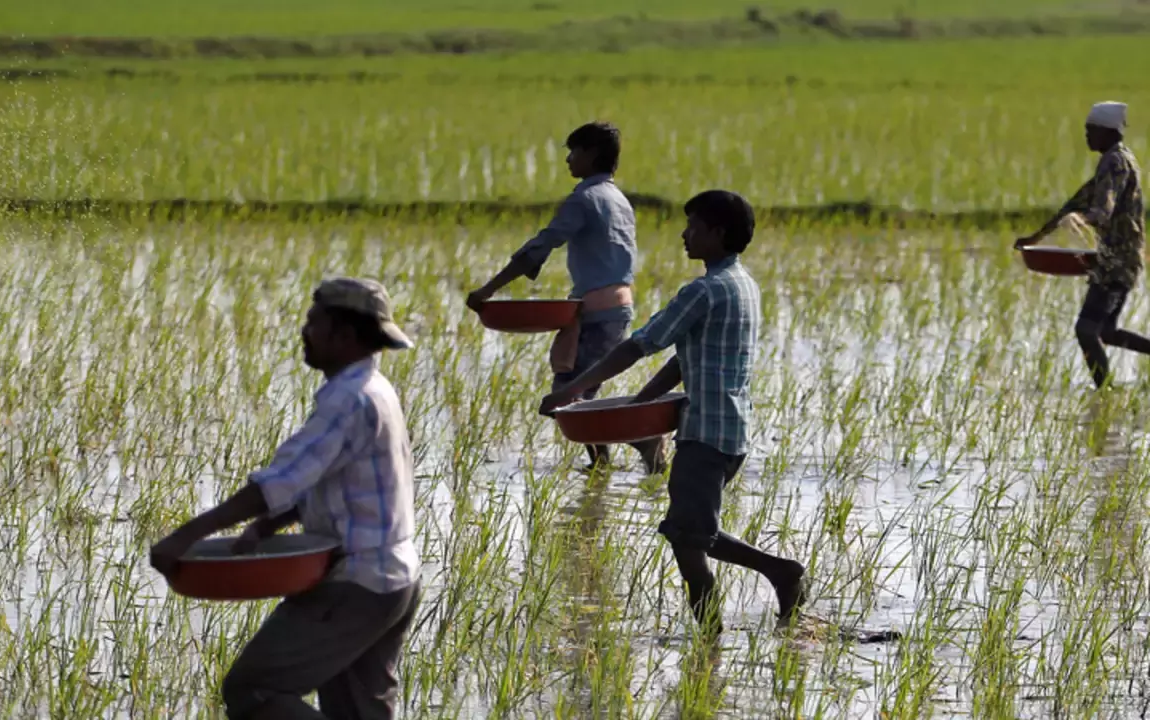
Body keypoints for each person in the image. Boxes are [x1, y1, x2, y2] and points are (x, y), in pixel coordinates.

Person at [149, 277, 422, 720]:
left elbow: (278, 483)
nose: (304, 331)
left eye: (314, 323)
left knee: (255, 689)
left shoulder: (349, 399)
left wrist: (185, 536)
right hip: (395, 580)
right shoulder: (376, 389)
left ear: (345, 334)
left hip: (357, 582)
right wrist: (273, 523)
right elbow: (339, 479)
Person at [539, 190, 807, 637]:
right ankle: (711, 632)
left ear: (718, 234)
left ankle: (770, 582)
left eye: (694, 228)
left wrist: (572, 387)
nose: (685, 235)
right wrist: (639, 402)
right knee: (689, 534)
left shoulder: (703, 291)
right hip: (730, 430)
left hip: (704, 434)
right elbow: (687, 358)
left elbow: (638, 344)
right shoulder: (743, 284)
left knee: (689, 535)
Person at [466, 121, 668, 475]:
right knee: (579, 391)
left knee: (570, 394)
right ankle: (602, 464)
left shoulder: (584, 198)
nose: (568, 160)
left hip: (600, 309)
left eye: (573, 152)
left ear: (591, 155)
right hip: (614, 306)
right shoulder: (618, 199)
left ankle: (641, 440)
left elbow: (542, 244)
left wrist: (489, 289)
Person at [1016, 101, 1148, 389]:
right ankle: (1107, 392)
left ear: (1107, 131)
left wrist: (1083, 220)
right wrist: (1037, 237)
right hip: (1119, 258)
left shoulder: (1114, 162)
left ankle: (1105, 393)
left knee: (1086, 330)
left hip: (1118, 261)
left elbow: (1103, 210)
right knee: (1107, 332)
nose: (1087, 136)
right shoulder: (1115, 159)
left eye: (1091, 131)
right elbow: (1075, 202)